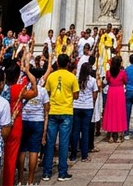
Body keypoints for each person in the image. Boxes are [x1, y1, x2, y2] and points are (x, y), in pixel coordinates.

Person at [41, 54, 78, 182]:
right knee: (63, 143)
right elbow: (76, 95)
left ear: (57, 64)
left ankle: (46, 172)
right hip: (66, 111)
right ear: (68, 64)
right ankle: (62, 172)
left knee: (50, 143)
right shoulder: (72, 77)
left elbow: (48, 92)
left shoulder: (51, 76)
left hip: (53, 111)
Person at [68, 62, 97, 162]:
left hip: (76, 106)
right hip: (87, 106)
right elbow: (95, 95)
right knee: (85, 131)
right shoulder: (92, 80)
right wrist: (92, 103)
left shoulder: (76, 80)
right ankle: (84, 155)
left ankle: (73, 154)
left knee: (75, 131)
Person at [101, 56, 128, 143]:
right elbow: (125, 81)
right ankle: (120, 135)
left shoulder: (108, 73)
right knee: (119, 112)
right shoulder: (122, 73)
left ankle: (110, 135)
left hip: (111, 92)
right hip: (119, 92)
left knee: (111, 112)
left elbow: (106, 81)